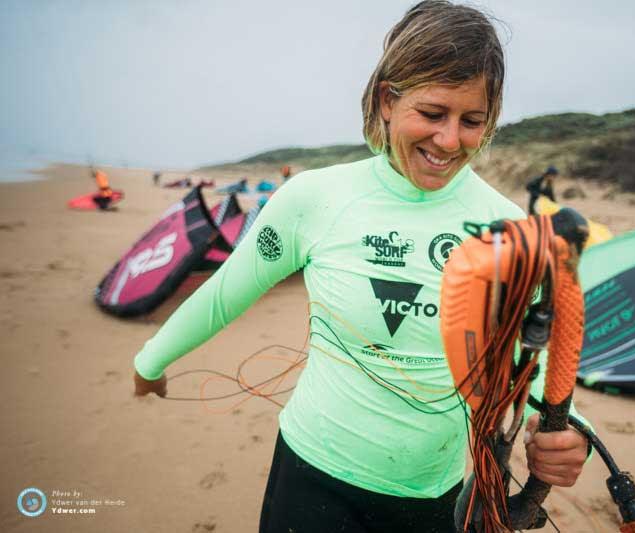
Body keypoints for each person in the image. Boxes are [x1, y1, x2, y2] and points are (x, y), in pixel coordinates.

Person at [133, 2, 590, 532]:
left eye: (472, 121)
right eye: (433, 113)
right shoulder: (316, 198)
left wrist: (566, 431)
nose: (449, 140)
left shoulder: (512, 230)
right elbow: (226, 291)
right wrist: (151, 361)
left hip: (430, 494)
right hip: (310, 474)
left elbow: (536, 362)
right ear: (387, 100)